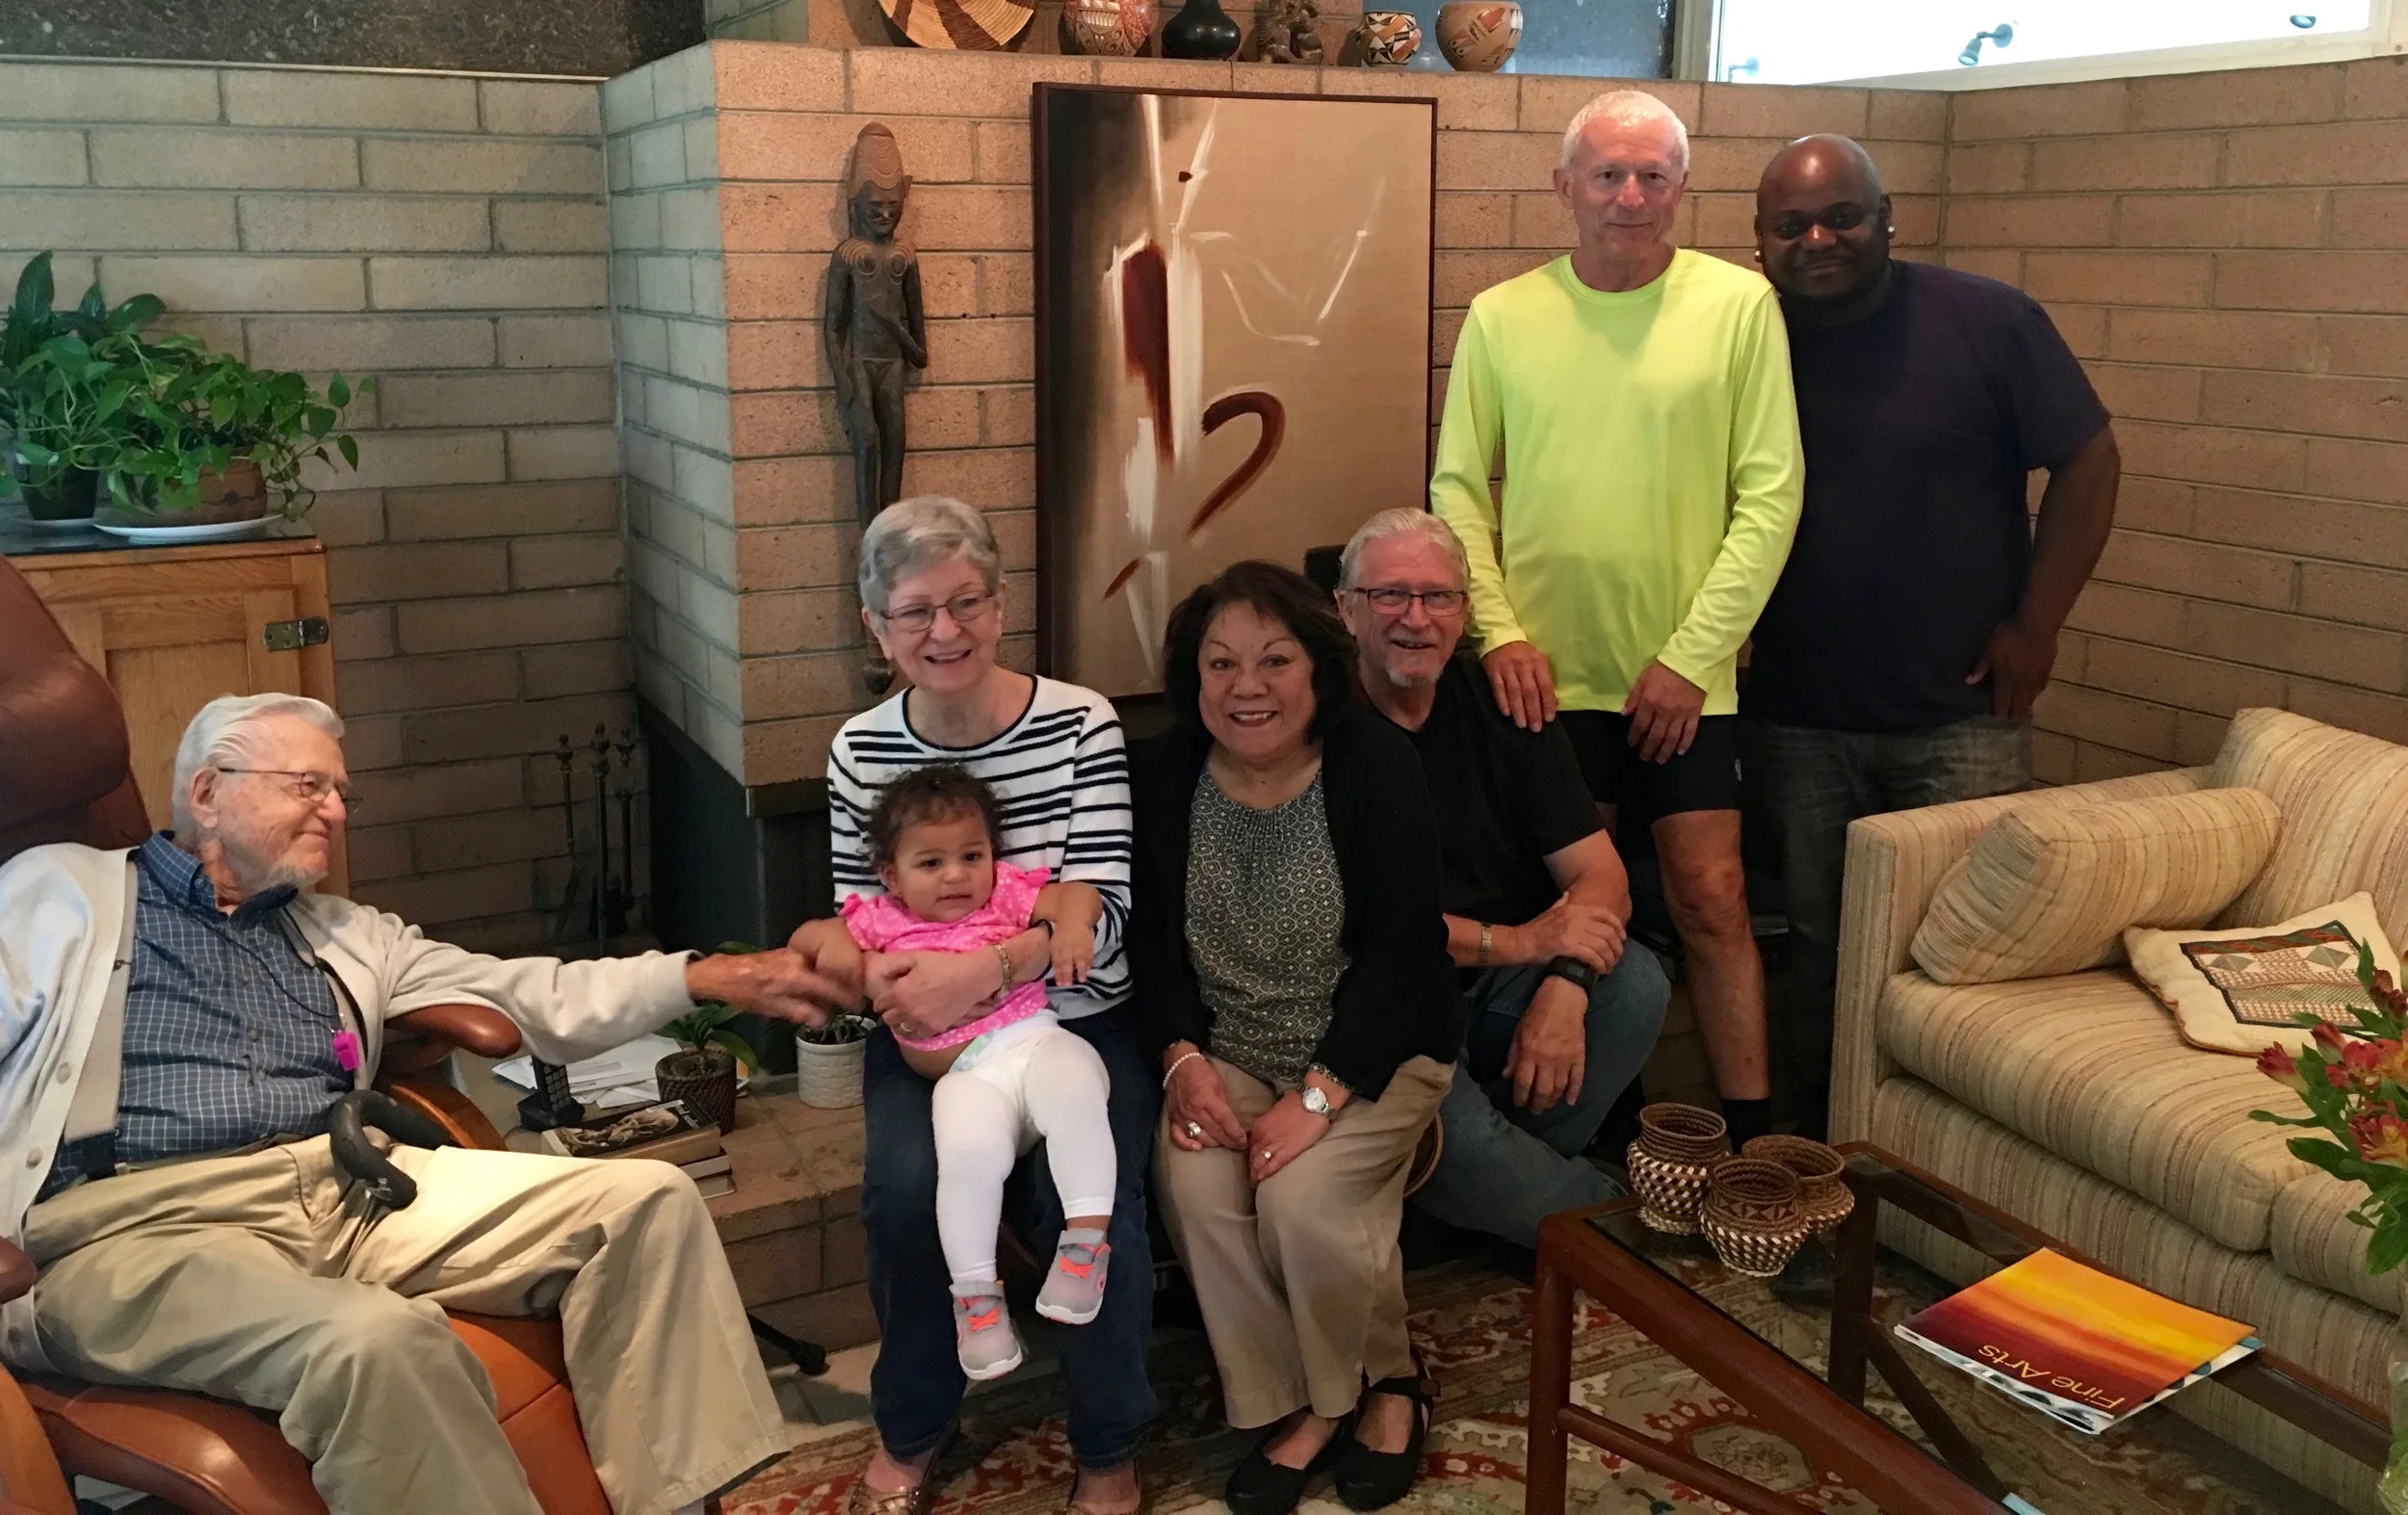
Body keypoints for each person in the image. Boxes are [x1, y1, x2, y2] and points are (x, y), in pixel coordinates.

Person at [0, 692, 849, 1515]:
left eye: (341, 792)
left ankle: (675, 1501)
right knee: (379, 1341)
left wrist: (712, 976)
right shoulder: (60, 894)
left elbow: (533, 992)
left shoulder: (345, 930)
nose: (335, 810)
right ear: (207, 791)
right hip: (137, 1222)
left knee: (648, 1203)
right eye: (308, 786)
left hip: (346, 1185)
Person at [1428, 89, 1804, 1148]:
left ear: (1681, 189)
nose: (1629, 195)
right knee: (1578, 912)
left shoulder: (1738, 308)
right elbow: (1457, 487)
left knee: (1711, 898)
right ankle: (1611, 1135)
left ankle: (1751, 1143)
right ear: (1564, 189)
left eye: (1652, 175)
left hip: (1685, 681)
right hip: (1537, 677)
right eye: (1607, 174)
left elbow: (1771, 495)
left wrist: (1691, 659)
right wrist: (1496, 635)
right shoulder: (1503, 316)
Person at [1748, 135, 2117, 1142]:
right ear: (1759, 244)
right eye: (1792, 226)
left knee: (1960, 963)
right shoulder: (1749, 338)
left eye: (1842, 217)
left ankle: (1932, 1170)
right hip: (1797, 718)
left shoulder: (1984, 321)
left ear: (1886, 218)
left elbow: (2088, 461)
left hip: (1962, 716)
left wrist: (2036, 624)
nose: (1818, 239)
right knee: (1820, 955)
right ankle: (1811, 1171)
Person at [791, 494, 1153, 1515]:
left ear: (1002, 606)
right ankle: (914, 1420)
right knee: (904, 1189)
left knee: (1095, 1197)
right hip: (930, 1041)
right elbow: (857, 925)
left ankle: (1107, 1444)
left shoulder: (1082, 722)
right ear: (875, 627)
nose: (943, 632)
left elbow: (1105, 910)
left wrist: (994, 968)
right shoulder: (860, 750)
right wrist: (899, 998)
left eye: (966, 603)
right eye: (914, 612)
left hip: (1073, 1019)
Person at [1133, 562, 1464, 1515]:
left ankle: (1383, 1386)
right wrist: (1180, 1059)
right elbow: (1147, 947)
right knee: (1195, 1185)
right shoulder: (1159, 773)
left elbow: (1407, 954)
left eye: (1274, 660)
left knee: (1301, 1202)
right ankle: (1302, 1398)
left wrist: (1320, 1096)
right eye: (1221, 662)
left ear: (1317, 670)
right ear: (1192, 679)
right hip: (1227, 1046)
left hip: (1372, 1050)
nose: (1247, 686)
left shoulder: (1374, 766)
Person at [1335, 509, 1671, 1252]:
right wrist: (1524, 943)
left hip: (1500, 988)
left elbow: (1601, 876)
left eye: (1438, 598)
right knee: (1456, 1141)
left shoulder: (1504, 703)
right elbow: (1366, 925)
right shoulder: (1320, 726)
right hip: (1388, 1002)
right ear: (1346, 609)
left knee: (1636, 984)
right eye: (1389, 595)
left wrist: (1566, 984)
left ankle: (1486, 1199)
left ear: (1464, 613)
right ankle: (1613, 1222)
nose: (1415, 619)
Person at [811, 764, 1114, 1381]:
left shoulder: (1003, 893)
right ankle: (977, 1299)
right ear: (891, 876)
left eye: (971, 855)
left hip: (1033, 1042)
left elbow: (1075, 894)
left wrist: (1075, 923)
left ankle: (1085, 1246)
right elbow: (810, 937)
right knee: (965, 1157)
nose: (956, 875)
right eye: (931, 863)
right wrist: (849, 958)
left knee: (1080, 1087)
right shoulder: (881, 919)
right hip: (967, 1077)